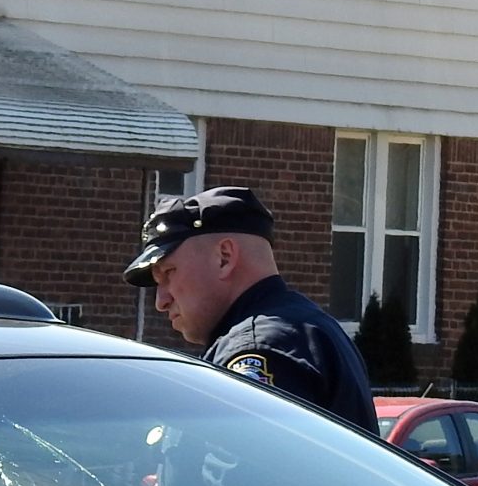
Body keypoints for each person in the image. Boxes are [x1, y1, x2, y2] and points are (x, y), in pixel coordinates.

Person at [123, 186, 377, 434]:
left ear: (224, 257)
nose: (161, 301)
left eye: (169, 273)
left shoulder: (258, 348)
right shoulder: (308, 326)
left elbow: (245, 460)